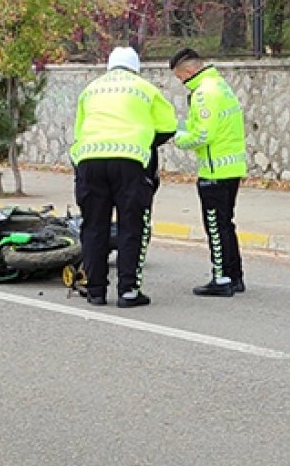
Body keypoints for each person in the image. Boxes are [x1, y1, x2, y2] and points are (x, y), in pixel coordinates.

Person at [70, 46, 178, 308]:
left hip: (89, 161)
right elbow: (168, 127)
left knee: (94, 227)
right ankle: (128, 291)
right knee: (131, 225)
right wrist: (145, 142)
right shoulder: (145, 88)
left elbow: (79, 131)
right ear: (136, 67)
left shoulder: (90, 89)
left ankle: (95, 291)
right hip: (130, 162)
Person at [169, 48, 248, 297]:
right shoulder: (221, 86)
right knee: (226, 224)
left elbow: (203, 134)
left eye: (180, 77)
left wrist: (178, 138)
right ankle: (235, 277)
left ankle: (221, 279)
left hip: (215, 170)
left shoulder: (204, 93)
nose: (181, 82)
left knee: (215, 226)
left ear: (189, 71)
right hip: (231, 167)